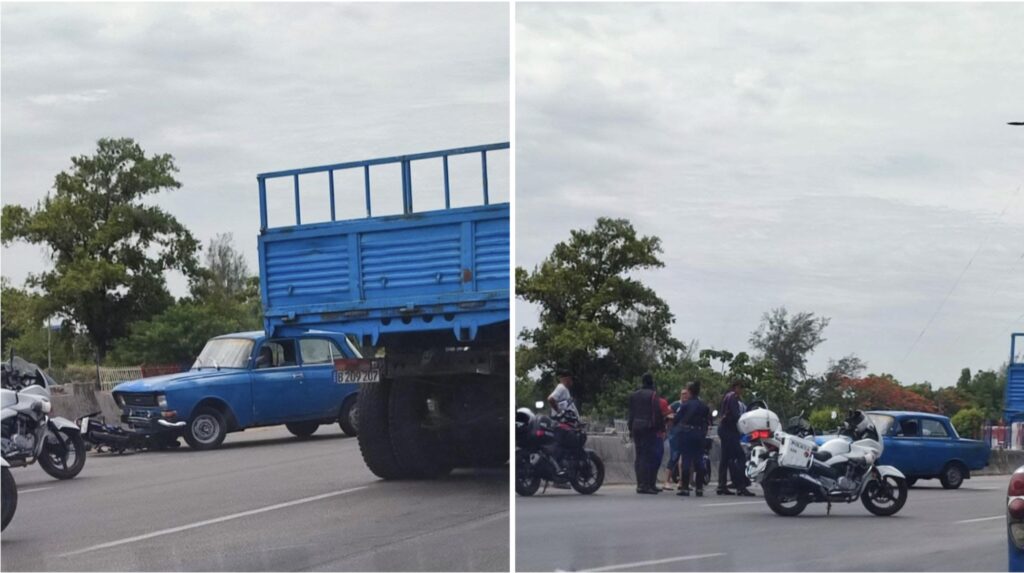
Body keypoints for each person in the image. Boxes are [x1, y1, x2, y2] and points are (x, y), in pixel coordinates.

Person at [628, 372, 665, 494]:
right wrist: (661, 428)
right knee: (648, 456)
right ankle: (647, 485)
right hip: (648, 428)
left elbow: (631, 414)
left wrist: (630, 429)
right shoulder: (653, 395)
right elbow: (657, 413)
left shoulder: (634, 395)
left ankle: (640, 484)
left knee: (639, 456)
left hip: (636, 427)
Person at [717, 380, 755, 496]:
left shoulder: (729, 397)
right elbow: (735, 415)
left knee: (725, 459)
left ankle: (722, 486)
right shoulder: (733, 397)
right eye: (741, 387)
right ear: (736, 387)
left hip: (724, 430)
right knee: (740, 457)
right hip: (729, 431)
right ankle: (741, 486)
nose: (742, 390)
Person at [675, 382, 712, 497]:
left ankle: (685, 488)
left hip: (687, 433)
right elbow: (707, 420)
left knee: (686, 460)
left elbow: (677, 419)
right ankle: (699, 488)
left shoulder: (685, 405)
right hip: (699, 434)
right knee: (699, 460)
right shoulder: (704, 406)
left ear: (690, 392)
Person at [665, 388, 690, 487]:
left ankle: (682, 481)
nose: (684, 396)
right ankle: (667, 480)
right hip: (675, 434)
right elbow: (667, 414)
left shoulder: (690, 405)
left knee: (684, 459)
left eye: (686, 394)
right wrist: (675, 417)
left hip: (687, 434)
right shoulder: (676, 404)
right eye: (682, 394)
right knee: (674, 457)